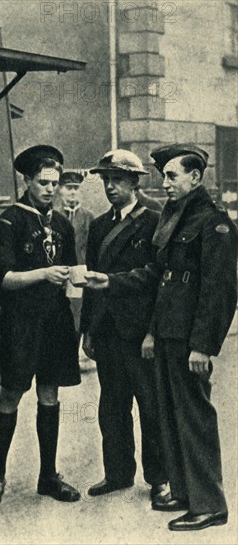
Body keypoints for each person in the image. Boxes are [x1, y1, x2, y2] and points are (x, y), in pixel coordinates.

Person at [85, 144, 237, 531]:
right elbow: (157, 276)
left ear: (195, 178)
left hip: (189, 337)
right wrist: (112, 280)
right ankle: (186, 495)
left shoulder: (211, 221)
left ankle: (211, 505)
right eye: (165, 175)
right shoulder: (179, 217)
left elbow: (219, 290)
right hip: (170, 333)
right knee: (173, 417)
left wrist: (204, 344)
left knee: (195, 419)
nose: (165, 183)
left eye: (172, 176)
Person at [0, 145, 81, 507]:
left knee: (50, 395)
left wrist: (82, 280)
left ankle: (48, 476)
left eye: (55, 183)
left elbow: (69, 273)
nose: (50, 189)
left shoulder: (64, 224)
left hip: (55, 322)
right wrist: (43, 273)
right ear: (26, 180)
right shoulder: (7, 222)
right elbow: (2, 279)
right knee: (10, 394)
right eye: (43, 182)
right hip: (21, 323)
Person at [79, 149, 168, 503]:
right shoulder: (100, 225)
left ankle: (160, 479)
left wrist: (154, 331)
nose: (110, 187)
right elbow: (89, 282)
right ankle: (117, 474)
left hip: (140, 331)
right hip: (107, 331)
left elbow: (159, 279)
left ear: (134, 182)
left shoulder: (154, 220)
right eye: (105, 180)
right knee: (112, 407)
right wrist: (87, 329)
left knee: (150, 406)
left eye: (117, 179)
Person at [55, 171, 94, 264]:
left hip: (83, 268)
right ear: (60, 189)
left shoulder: (88, 216)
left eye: (76, 188)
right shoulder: (53, 216)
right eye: (69, 188)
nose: (73, 192)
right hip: (59, 269)